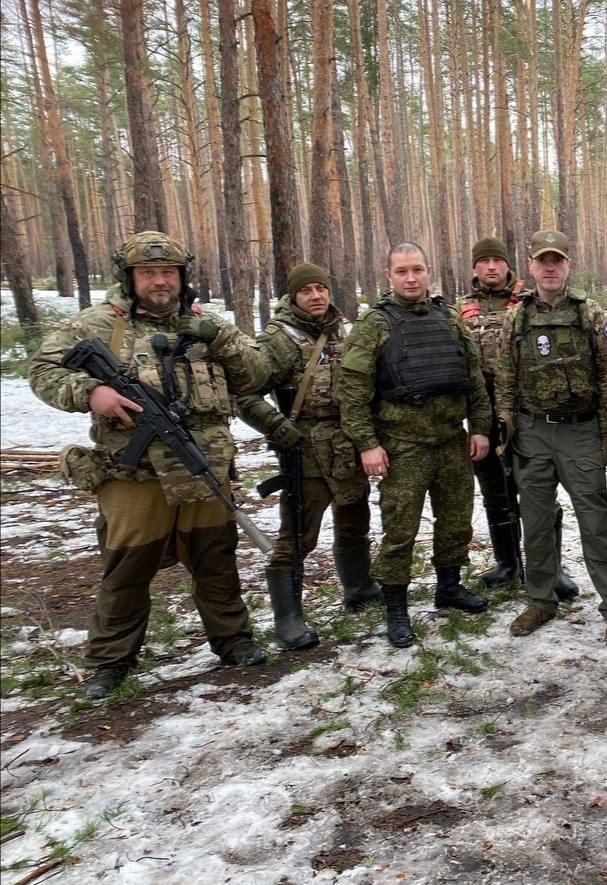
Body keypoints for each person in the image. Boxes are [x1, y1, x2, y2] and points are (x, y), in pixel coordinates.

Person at [29, 230, 271, 699]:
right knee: (127, 569)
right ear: (130, 276)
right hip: (133, 472)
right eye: (148, 273)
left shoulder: (205, 323)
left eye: (168, 273)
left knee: (216, 560)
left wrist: (220, 337)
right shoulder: (97, 324)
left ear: (182, 276)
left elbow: (257, 374)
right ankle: (110, 662)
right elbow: (43, 371)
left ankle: (234, 641)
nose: (159, 281)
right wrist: (90, 392)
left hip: (205, 466)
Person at [334, 243, 492, 648]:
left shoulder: (450, 319)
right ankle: (396, 607)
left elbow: (473, 378)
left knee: (457, 521)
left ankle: (449, 586)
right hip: (403, 445)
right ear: (388, 276)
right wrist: (367, 444)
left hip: (451, 441)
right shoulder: (374, 326)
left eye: (417, 270)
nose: (410, 278)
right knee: (400, 530)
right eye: (402, 271)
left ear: (429, 271)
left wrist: (480, 428)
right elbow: (351, 393)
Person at [493, 229, 607, 645]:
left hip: (580, 431)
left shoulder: (590, 314)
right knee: (535, 523)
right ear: (531, 266)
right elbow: (505, 377)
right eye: (542, 261)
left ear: (569, 265)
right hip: (532, 431)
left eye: (558, 261)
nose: (550, 268)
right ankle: (540, 600)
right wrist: (506, 427)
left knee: (595, 520)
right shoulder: (515, 317)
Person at [236, 263, 379, 650]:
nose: (316, 296)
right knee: (298, 536)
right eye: (306, 291)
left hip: (347, 447)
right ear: (293, 296)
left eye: (321, 288)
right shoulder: (278, 341)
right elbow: (244, 392)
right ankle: (288, 618)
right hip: (306, 452)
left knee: (354, 520)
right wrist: (278, 426)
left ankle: (360, 588)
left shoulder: (343, 331)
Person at [458, 237, 578, 599]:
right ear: (475, 268)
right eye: (484, 262)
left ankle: (550, 566)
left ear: (510, 265)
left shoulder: (529, 301)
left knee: (537, 490)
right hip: (482, 414)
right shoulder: (460, 310)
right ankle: (508, 562)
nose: (492, 267)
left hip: (527, 412)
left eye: (498, 261)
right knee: (495, 490)